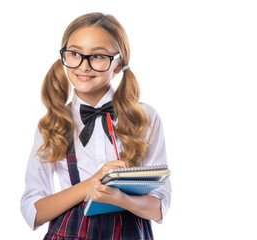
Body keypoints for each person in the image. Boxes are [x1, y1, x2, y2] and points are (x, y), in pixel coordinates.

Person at [20, 12, 171, 239]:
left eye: (98, 56)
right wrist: (92, 183)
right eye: (74, 54)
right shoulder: (53, 124)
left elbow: (160, 207)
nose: (84, 65)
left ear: (118, 64)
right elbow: (33, 212)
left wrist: (122, 199)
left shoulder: (144, 117)